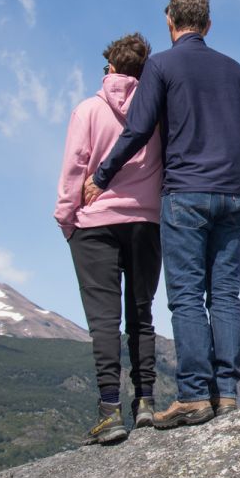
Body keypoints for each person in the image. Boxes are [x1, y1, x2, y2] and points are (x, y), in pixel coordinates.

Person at [84, 0, 240, 429]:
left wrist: (101, 176)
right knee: (224, 294)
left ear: (170, 22)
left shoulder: (160, 66)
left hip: (184, 193)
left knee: (186, 296)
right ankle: (226, 393)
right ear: (207, 23)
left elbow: (138, 129)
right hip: (232, 196)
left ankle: (193, 396)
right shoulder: (237, 72)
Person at [54, 33, 162, 444]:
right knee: (142, 315)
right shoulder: (158, 112)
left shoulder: (87, 110)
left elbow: (73, 169)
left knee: (104, 321)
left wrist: (68, 220)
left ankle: (110, 412)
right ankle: (147, 404)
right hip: (145, 224)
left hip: (94, 225)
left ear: (111, 69)